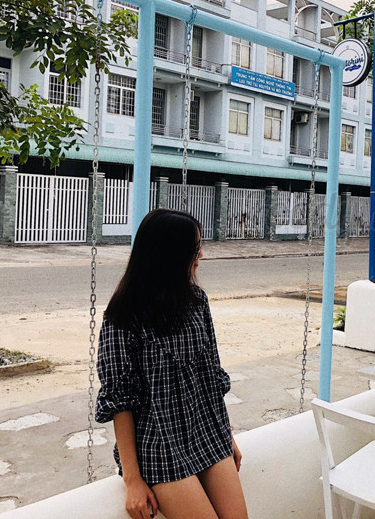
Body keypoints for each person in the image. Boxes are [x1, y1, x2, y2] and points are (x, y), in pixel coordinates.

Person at [95, 209, 248, 519]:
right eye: (194, 249)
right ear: (168, 255)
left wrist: (226, 435)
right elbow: (120, 401)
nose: (200, 255)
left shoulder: (196, 301)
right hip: (159, 445)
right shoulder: (123, 316)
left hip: (208, 431)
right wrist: (133, 480)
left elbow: (211, 375)